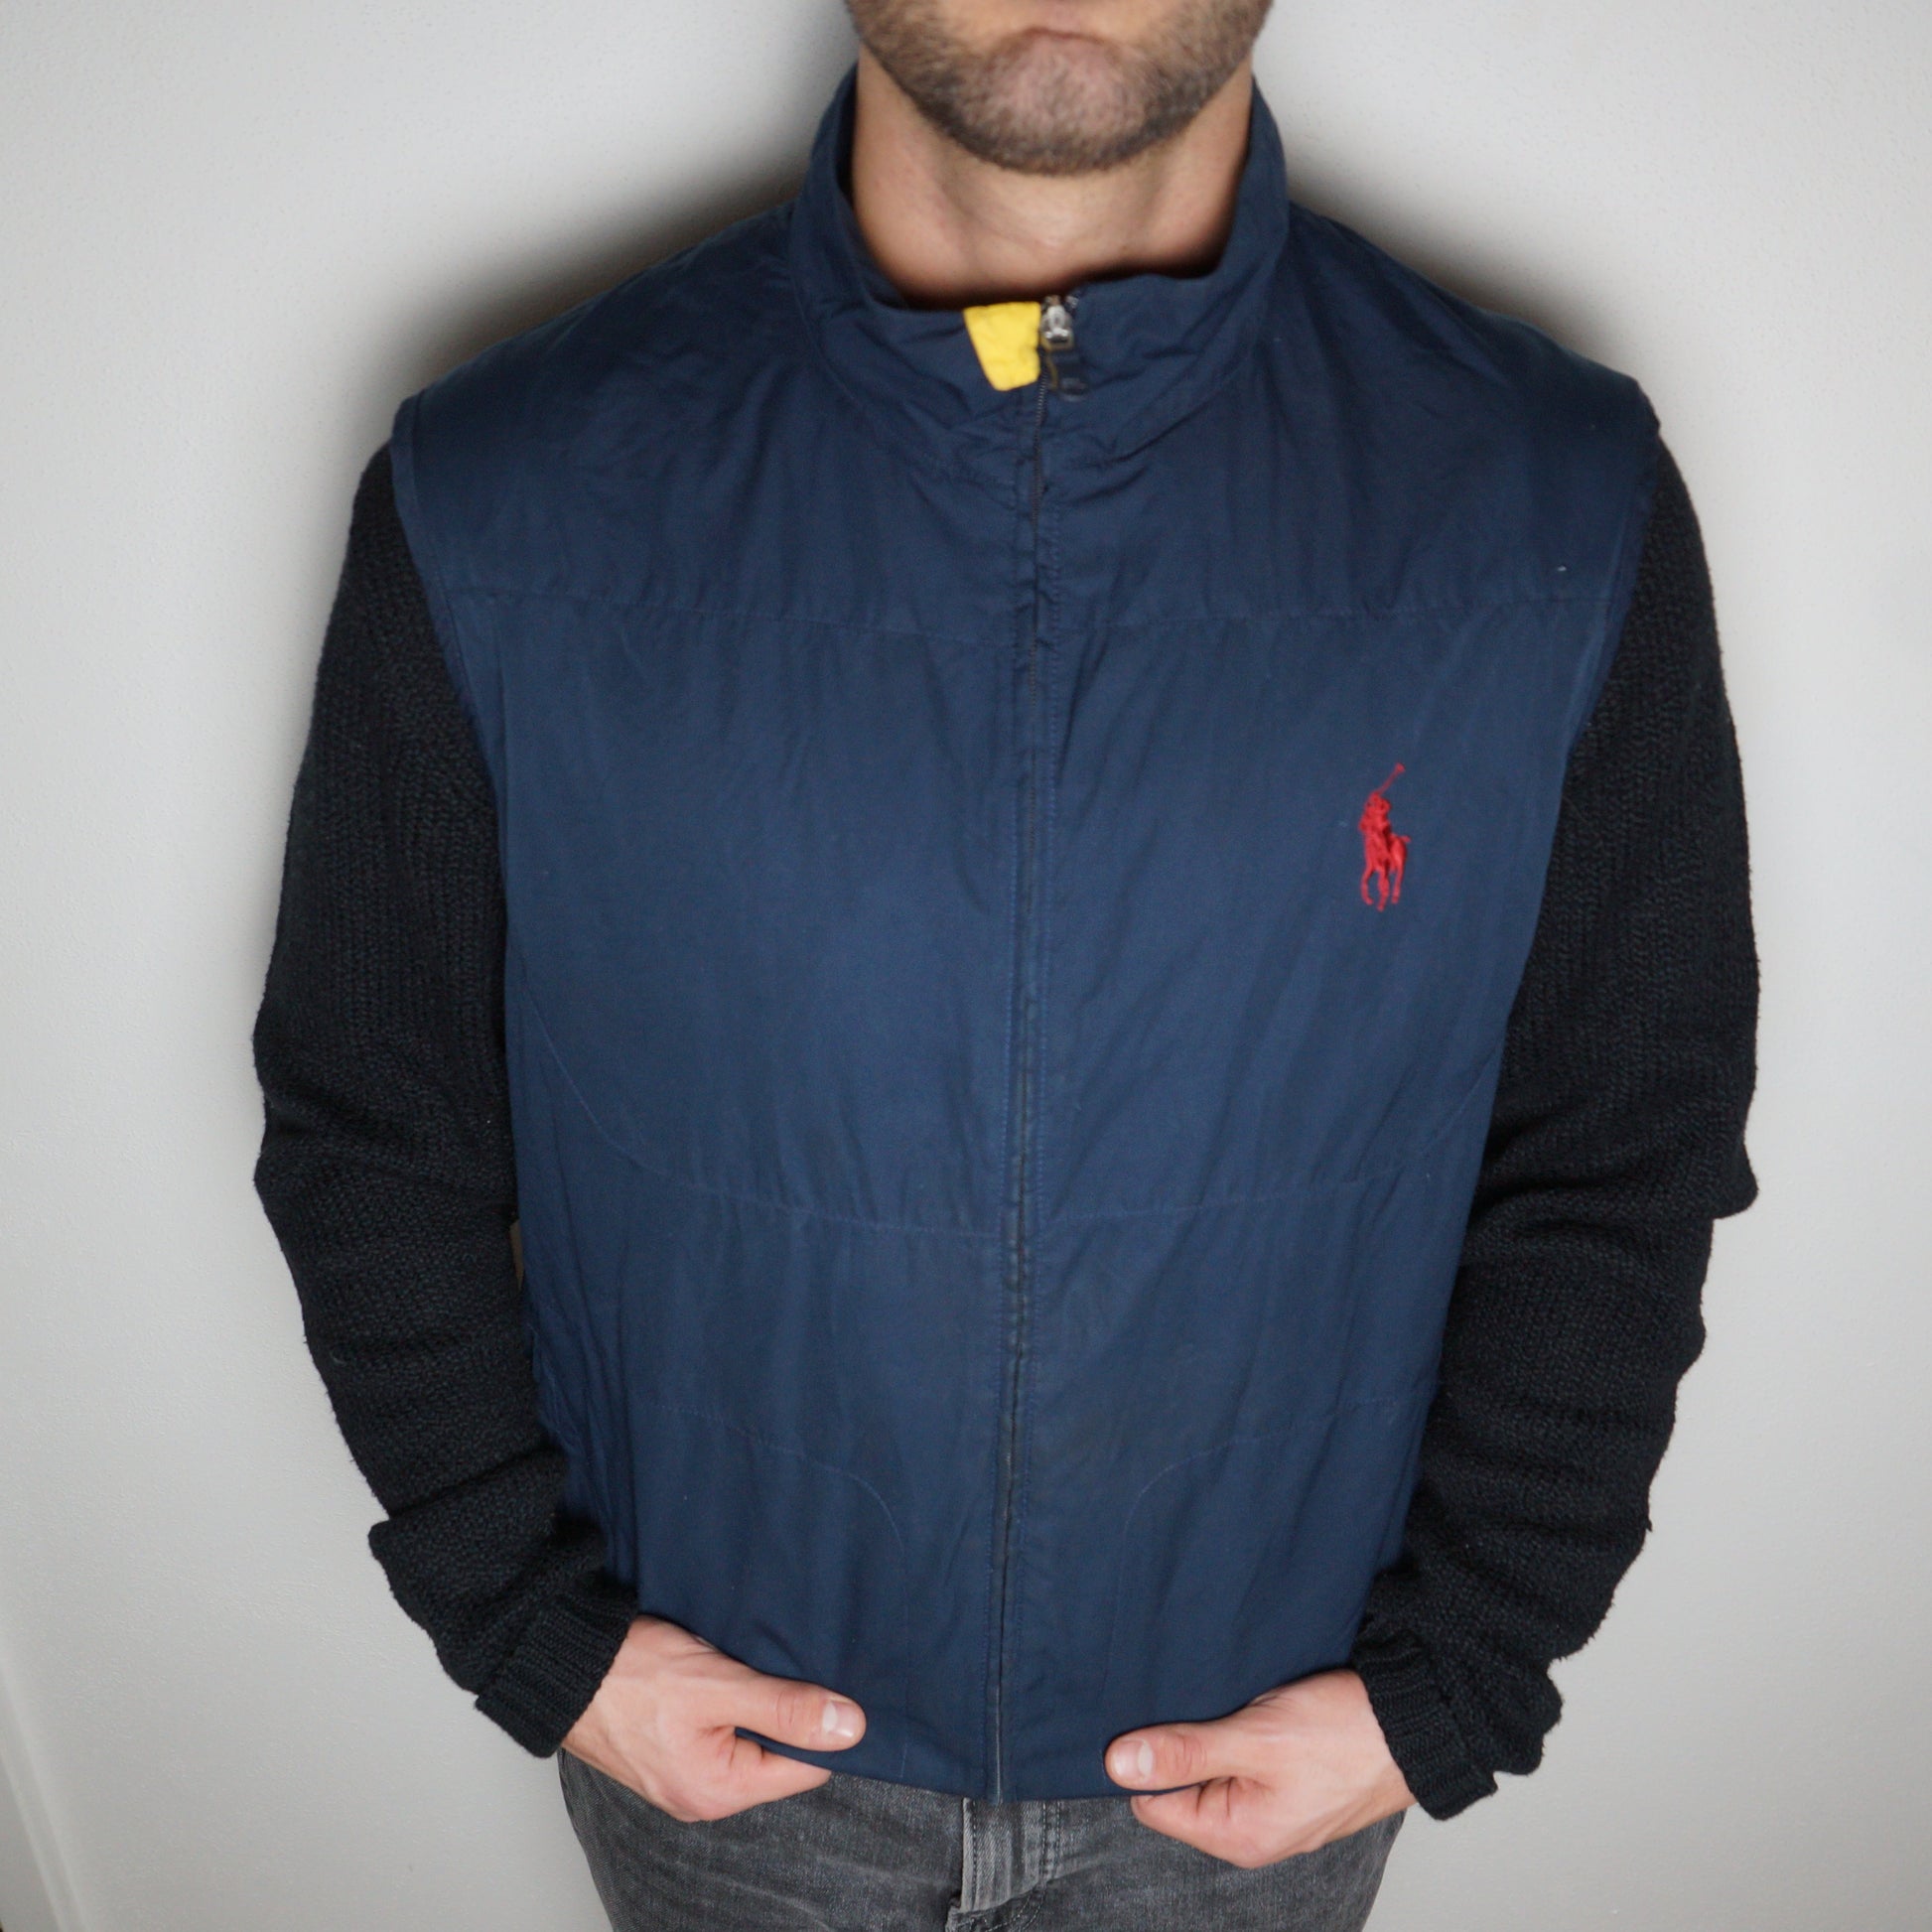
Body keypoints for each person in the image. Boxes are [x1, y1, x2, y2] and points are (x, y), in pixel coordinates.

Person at [250, 2, 1759, 1925]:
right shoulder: (496, 490)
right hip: (729, 1770)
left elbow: (1623, 1129)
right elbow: (373, 1106)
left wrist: (1459, 1666)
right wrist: (527, 1624)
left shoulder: (1553, 498)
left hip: (1258, 1758)